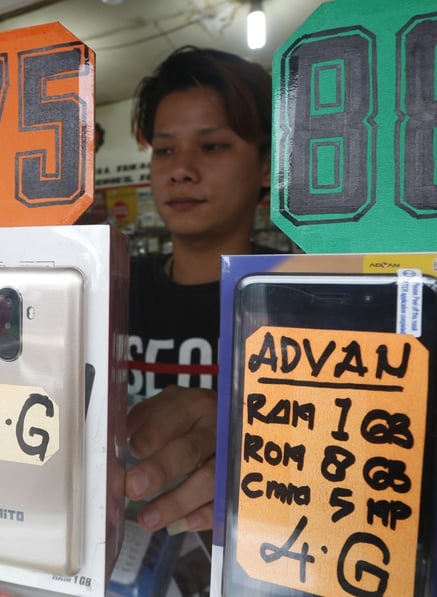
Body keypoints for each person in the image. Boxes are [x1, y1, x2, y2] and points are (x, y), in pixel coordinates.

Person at [126, 45, 274, 538]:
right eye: (165, 149)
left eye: (211, 146)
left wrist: (243, 435)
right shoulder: (112, 288)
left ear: (267, 167)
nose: (180, 169)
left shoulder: (300, 302)